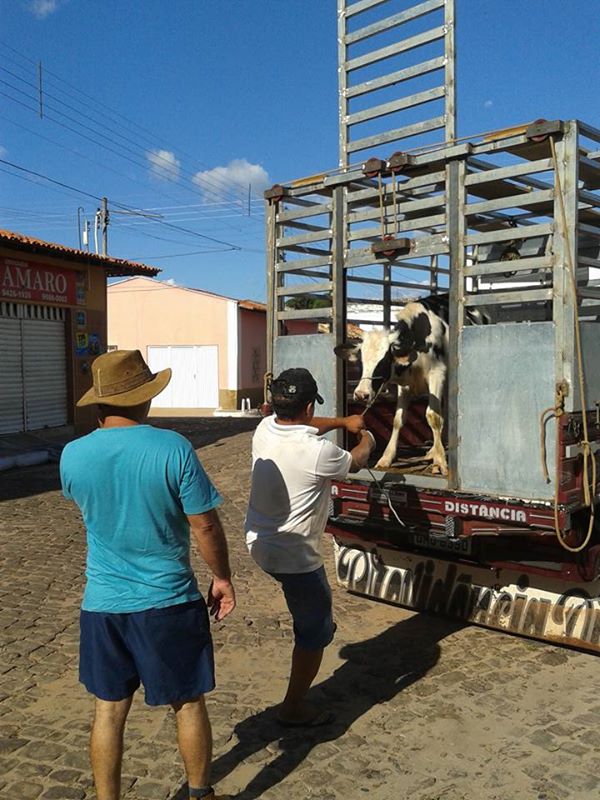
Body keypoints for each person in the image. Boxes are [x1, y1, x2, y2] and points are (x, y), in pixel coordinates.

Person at [60, 349, 235, 800]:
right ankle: (199, 793)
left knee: (108, 710)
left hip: (102, 604)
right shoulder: (172, 448)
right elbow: (205, 525)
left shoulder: (72, 456)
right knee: (188, 702)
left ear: (98, 403)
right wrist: (222, 577)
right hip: (167, 601)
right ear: (146, 400)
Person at [244, 367, 375, 727]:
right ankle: (294, 707)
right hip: (295, 558)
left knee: (307, 607)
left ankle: (311, 625)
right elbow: (358, 462)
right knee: (315, 631)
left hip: (258, 544)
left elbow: (306, 427)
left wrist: (341, 421)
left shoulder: (264, 428)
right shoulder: (321, 453)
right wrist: (366, 437)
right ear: (306, 408)